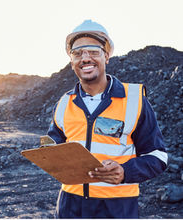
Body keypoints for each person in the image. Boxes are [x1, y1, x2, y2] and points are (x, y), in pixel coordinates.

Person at [47, 20, 168, 218]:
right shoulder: (64, 103)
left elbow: (158, 156)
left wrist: (125, 171)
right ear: (71, 62)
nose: (85, 58)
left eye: (93, 51)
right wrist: (47, 150)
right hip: (71, 205)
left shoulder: (134, 101)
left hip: (116, 207)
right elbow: (53, 143)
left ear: (107, 56)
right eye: (77, 53)